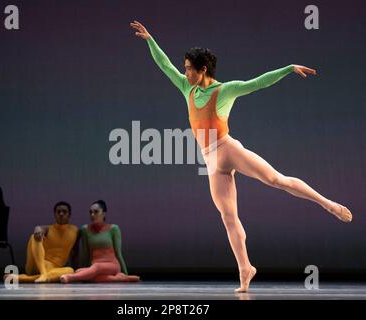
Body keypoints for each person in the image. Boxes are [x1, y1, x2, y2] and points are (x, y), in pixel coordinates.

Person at [130, 20, 353, 293]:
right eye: (185, 68)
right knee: (228, 217)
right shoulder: (188, 89)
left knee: (276, 180)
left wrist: (289, 68)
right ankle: (245, 269)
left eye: (189, 68)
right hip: (211, 161)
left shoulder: (225, 90)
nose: (184, 72)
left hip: (228, 150)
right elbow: (165, 65)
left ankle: (327, 203)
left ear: (203, 69)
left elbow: (257, 83)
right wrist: (151, 40)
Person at [60, 200, 140, 283]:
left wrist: (125, 272)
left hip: (112, 265)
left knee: (95, 268)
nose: (92, 215)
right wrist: (84, 272)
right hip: (95, 266)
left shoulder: (113, 229)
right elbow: (85, 254)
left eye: (96, 212)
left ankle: (70, 277)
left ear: (104, 213)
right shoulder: (85, 229)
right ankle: (122, 278)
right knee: (80, 272)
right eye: (90, 212)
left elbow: (118, 254)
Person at [10, 201, 78, 283]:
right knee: (34, 236)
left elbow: (75, 252)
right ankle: (43, 273)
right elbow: (41, 228)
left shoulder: (75, 230)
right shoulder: (48, 228)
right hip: (36, 265)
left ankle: (25, 278)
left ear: (69, 214)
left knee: (70, 270)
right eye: (58, 212)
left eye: (64, 212)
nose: (61, 214)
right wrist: (38, 229)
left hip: (53, 269)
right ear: (55, 214)